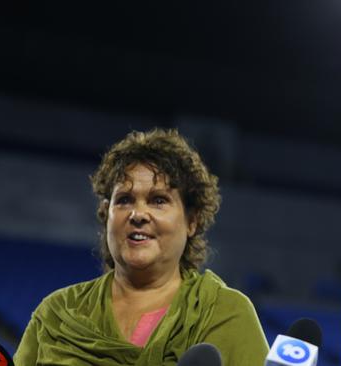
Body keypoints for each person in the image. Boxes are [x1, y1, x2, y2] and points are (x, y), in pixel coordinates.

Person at [15, 129, 269, 365]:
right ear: (106, 215)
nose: (138, 214)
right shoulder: (56, 313)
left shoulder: (226, 314)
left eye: (158, 200)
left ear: (192, 221)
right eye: (124, 200)